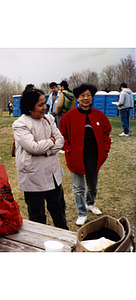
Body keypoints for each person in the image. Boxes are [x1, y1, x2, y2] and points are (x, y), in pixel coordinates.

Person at [12, 88, 68, 230]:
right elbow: (33, 147)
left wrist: (46, 151)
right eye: (40, 105)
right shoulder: (20, 124)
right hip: (34, 177)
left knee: (59, 213)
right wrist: (51, 141)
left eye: (44, 103)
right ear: (30, 107)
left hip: (52, 174)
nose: (45, 107)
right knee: (37, 217)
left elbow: (60, 140)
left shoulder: (48, 118)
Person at [59, 83, 112, 226]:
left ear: (92, 97)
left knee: (92, 184)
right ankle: (81, 213)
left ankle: (90, 203)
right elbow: (62, 136)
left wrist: (105, 149)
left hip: (93, 156)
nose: (85, 98)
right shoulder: (68, 117)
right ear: (77, 98)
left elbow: (107, 134)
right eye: (82, 95)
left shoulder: (99, 115)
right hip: (75, 156)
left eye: (88, 95)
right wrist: (69, 150)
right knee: (78, 187)